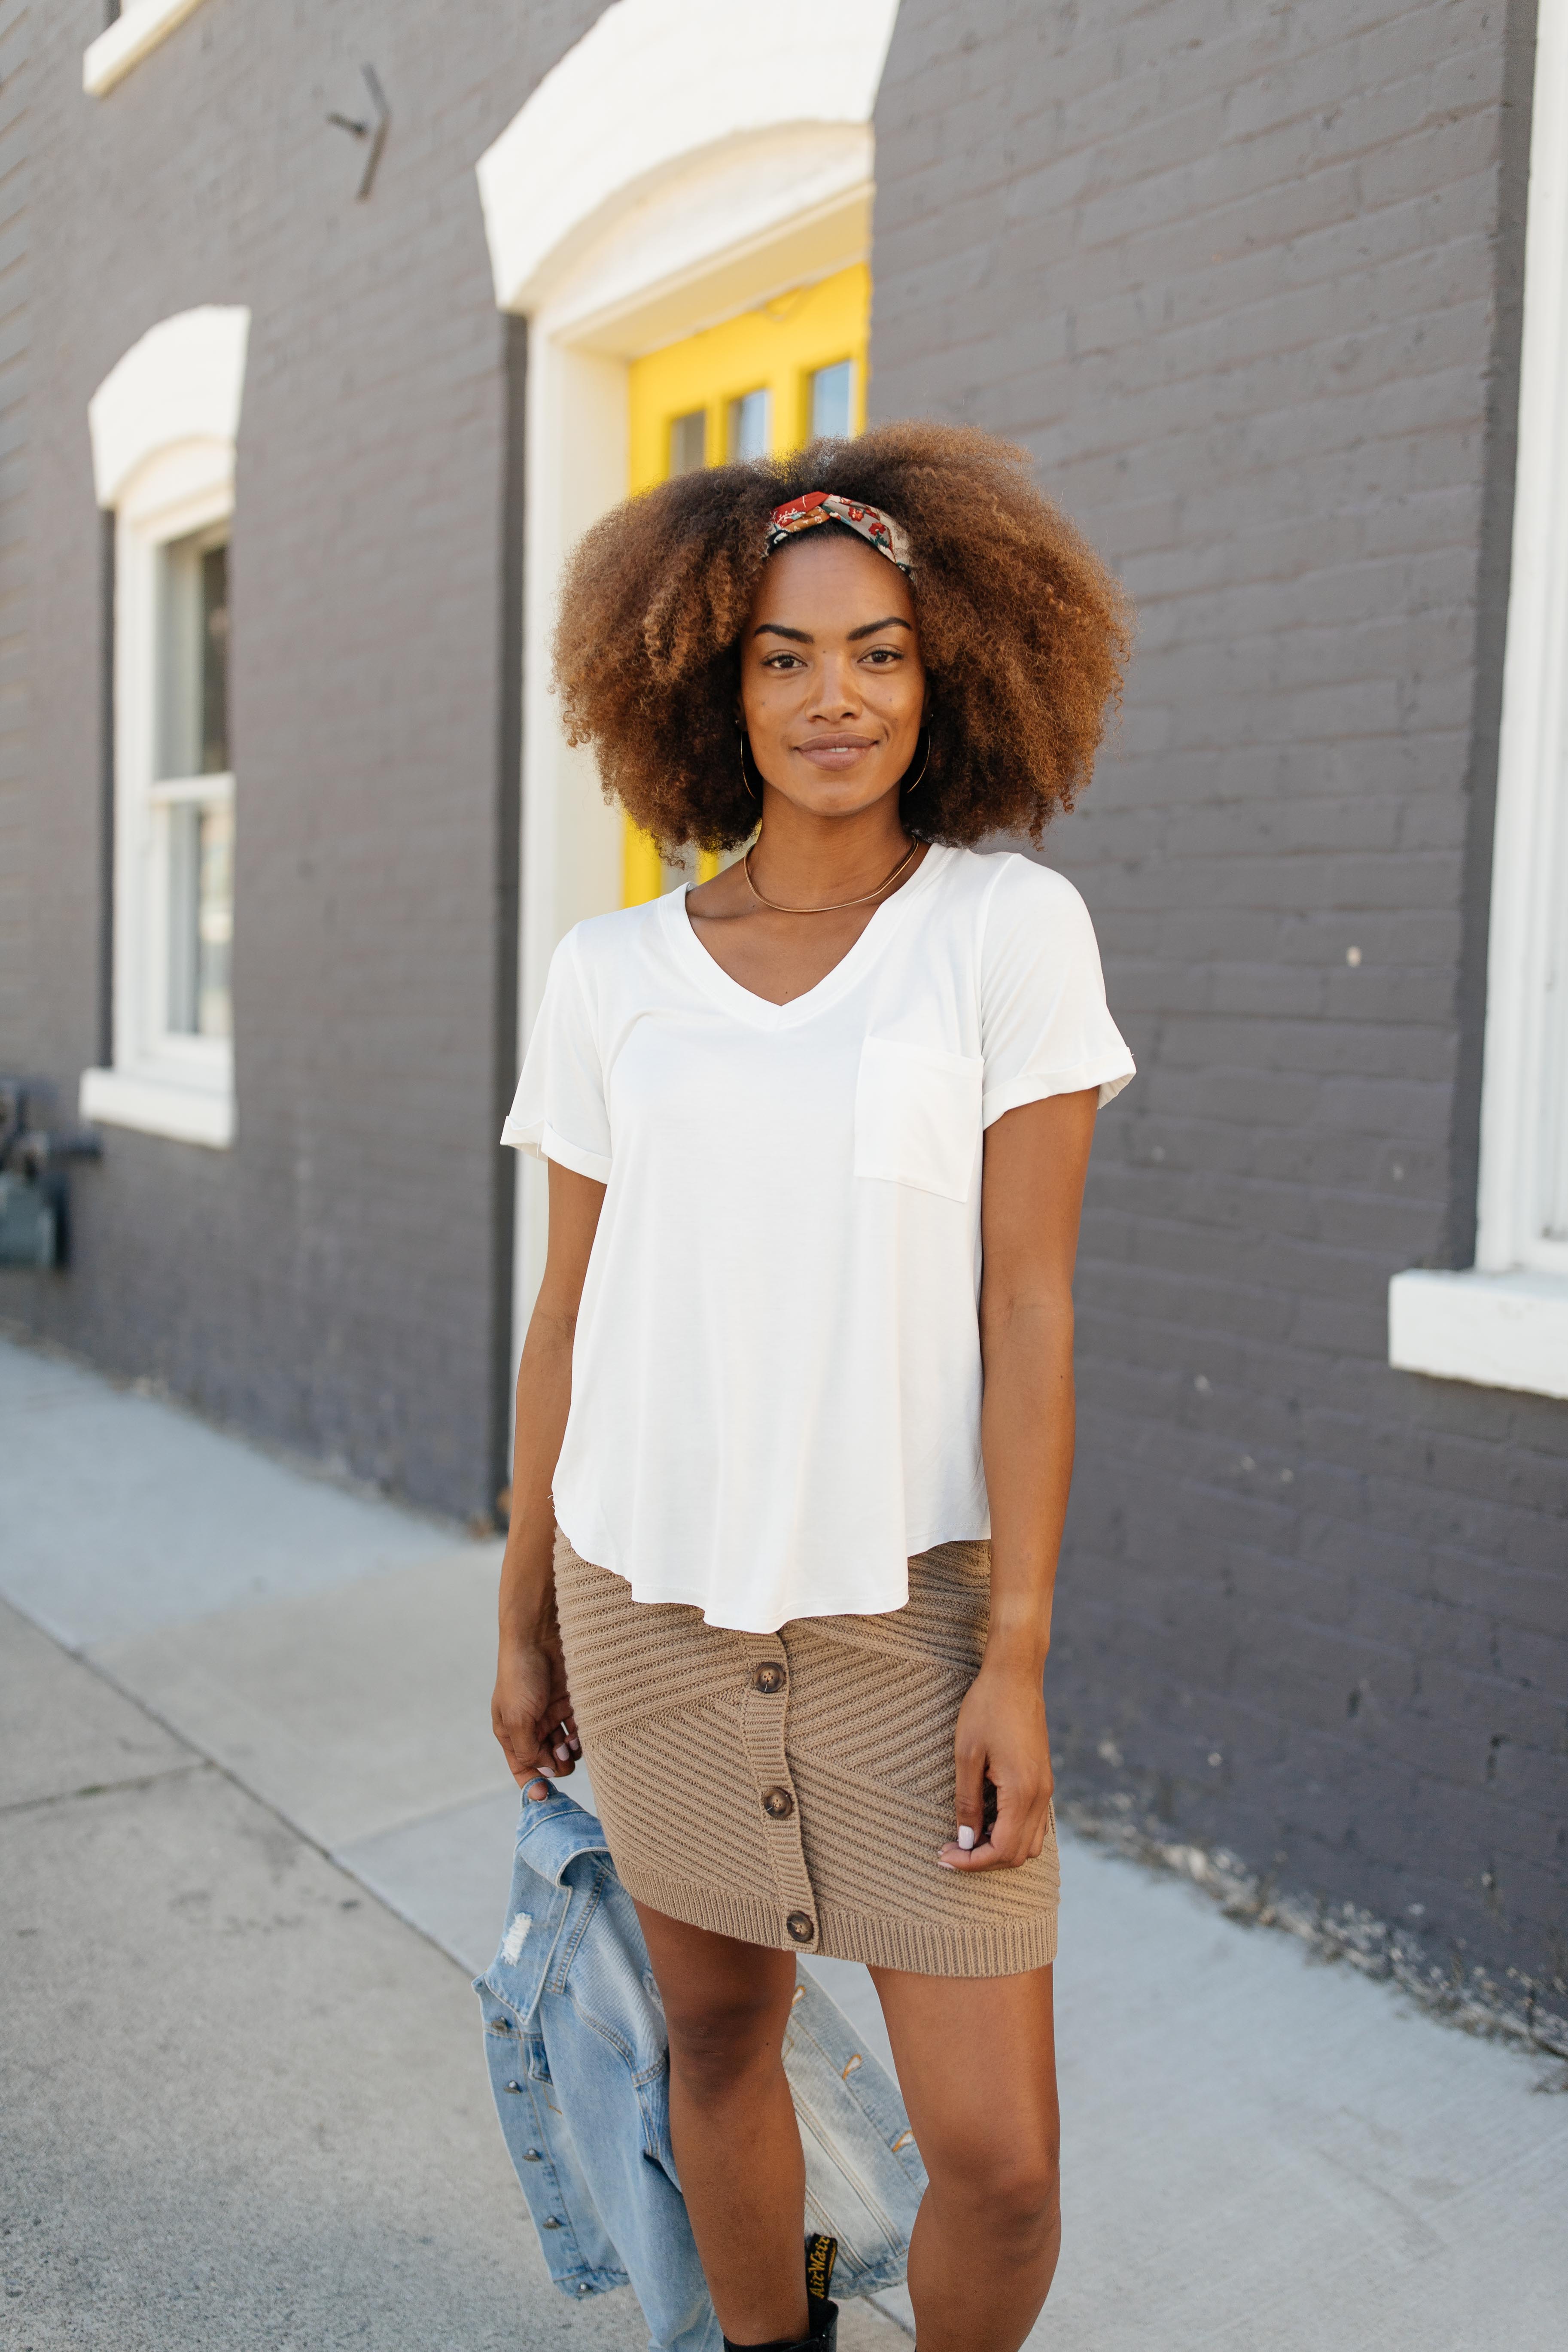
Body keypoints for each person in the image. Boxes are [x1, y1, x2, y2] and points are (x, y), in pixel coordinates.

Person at [492, 423, 1134, 2352]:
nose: (830, 693)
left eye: (877, 648)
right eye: (783, 652)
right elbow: (567, 1319)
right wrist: (521, 1608)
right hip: (649, 1602)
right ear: (710, 678)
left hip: (910, 1618)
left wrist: (1012, 1648)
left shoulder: (1006, 934)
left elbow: (1031, 1307)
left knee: (1000, 2161)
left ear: (951, 674)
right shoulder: (612, 974)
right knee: (715, 2032)